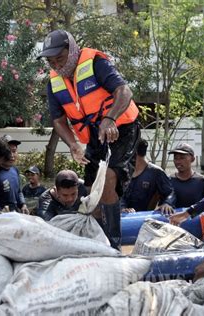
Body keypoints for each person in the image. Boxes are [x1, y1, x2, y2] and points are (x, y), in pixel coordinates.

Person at [37, 29, 140, 249]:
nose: (56, 65)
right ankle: (96, 240)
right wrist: (73, 144)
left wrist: (110, 118)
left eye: (60, 59)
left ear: (72, 51)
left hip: (121, 128)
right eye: (51, 62)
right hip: (93, 137)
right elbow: (58, 121)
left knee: (109, 178)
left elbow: (124, 91)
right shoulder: (53, 83)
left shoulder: (95, 64)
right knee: (93, 190)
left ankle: (114, 245)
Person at [121, 138, 174, 214]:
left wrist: (167, 203)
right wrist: (122, 208)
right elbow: (118, 196)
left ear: (133, 152)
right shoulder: (124, 172)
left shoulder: (156, 172)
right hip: (125, 219)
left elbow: (170, 192)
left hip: (146, 218)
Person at [0, 135, 29, 214]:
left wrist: (23, 204)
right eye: (8, 151)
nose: (11, 155)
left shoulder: (14, 170)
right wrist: (0, 212)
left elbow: (19, 191)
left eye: (14, 151)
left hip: (15, 214)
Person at [167, 143, 204, 208]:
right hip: (173, 217)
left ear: (192, 159)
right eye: (176, 158)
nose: (178, 162)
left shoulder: (203, 182)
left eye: (182, 158)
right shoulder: (168, 180)